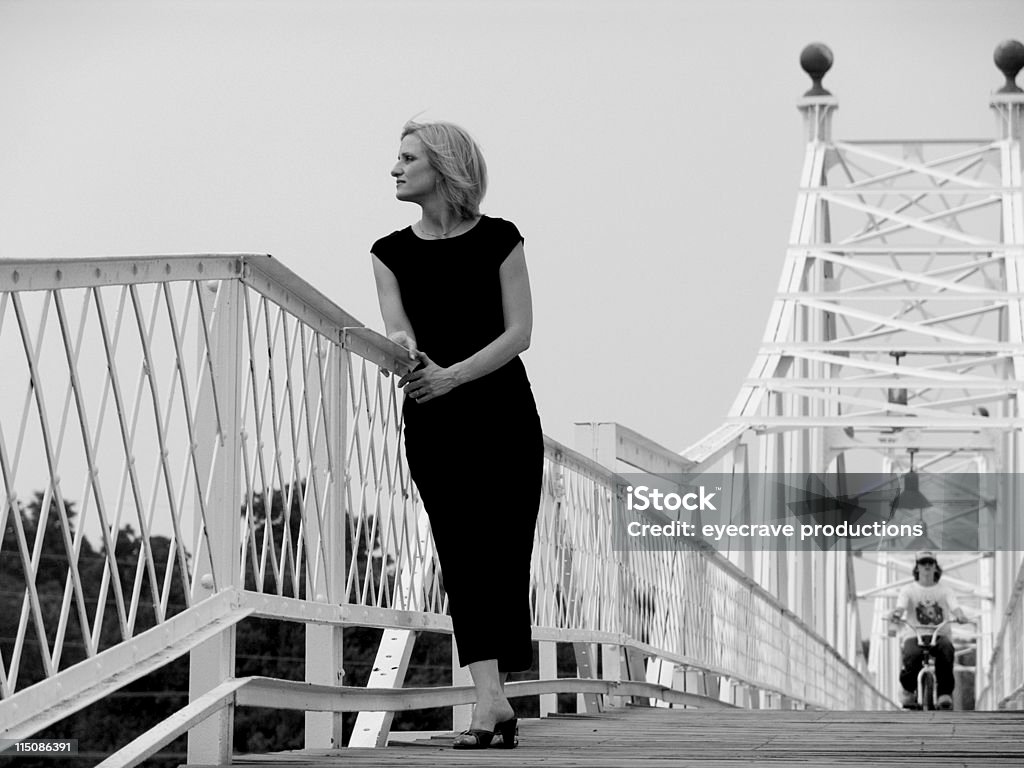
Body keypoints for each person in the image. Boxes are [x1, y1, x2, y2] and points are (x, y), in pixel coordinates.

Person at [370, 120, 544, 749]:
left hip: (503, 414)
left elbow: (518, 333)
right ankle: (488, 703)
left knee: (501, 552)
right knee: (461, 554)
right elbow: (398, 327)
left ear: (441, 167)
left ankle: (494, 704)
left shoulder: (500, 239)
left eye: (406, 157)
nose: (394, 168)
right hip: (434, 420)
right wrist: (406, 354)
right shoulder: (388, 252)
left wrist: (454, 377)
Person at [889, 551, 969, 710]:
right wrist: (896, 614)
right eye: (923, 563)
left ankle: (944, 694)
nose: (926, 566)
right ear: (917, 567)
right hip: (915, 634)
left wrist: (960, 616)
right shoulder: (908, 590)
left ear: (935, 567)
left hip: (939, 634)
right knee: (911, 655)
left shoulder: (945, 590)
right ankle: (908, 690)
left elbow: (955, 607)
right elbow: (901, 606)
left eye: (930, 563)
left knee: (946, 650)